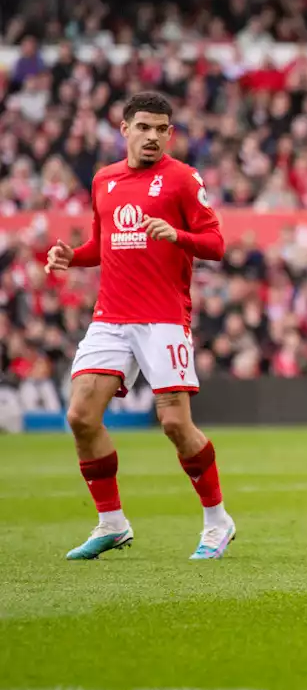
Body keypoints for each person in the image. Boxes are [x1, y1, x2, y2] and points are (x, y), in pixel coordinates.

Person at [44, 92, 231, 560]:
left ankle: (217, 522)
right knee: (81, 417)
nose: (152, 136)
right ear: (124, 128)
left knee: (173, 423)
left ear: (170, 134)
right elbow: (102, 244)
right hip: (111, 316)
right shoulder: (104, 180)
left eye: (161, 129)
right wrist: (73, 256)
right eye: (143, 127)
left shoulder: (183, 179)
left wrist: (178, 236)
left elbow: (215, 243)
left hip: (164, 318)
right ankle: (111, 522)